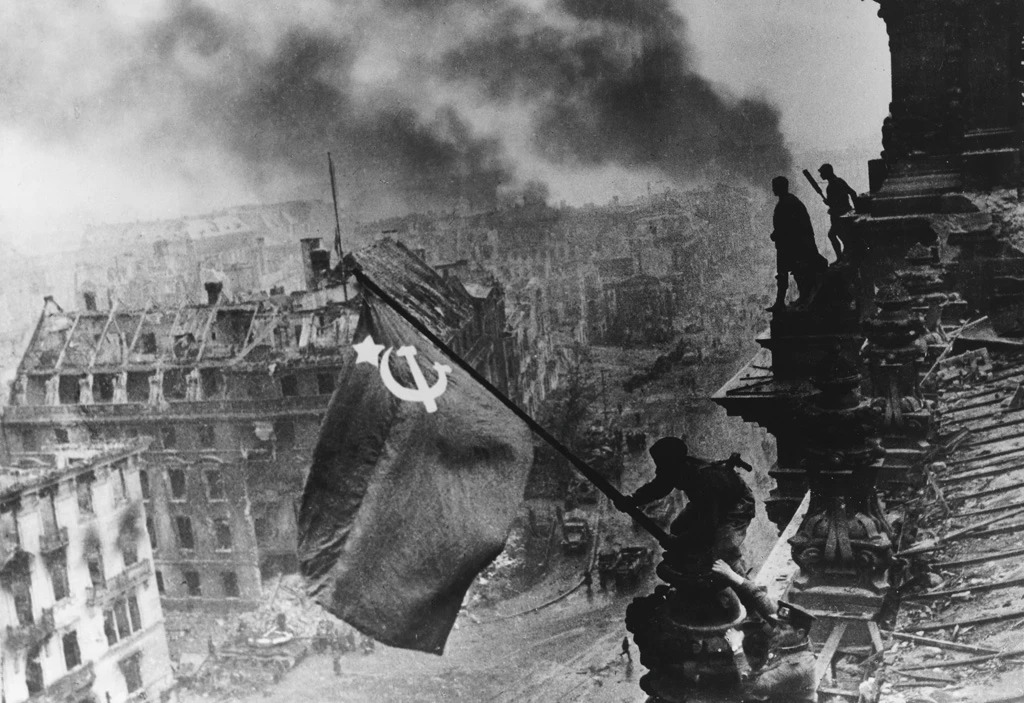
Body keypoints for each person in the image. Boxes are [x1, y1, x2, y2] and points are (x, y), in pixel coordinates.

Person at [619, 437, 754, 572]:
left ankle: (741, 582)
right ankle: (697, 560)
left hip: (736, 505)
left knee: (724, 551)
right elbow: (659, 486)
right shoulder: (675, 467)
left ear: (672, 463)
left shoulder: (705, 478)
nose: (657, 470)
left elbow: (708, 524)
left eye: (660, 465)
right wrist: (633, 499)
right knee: (679, 527)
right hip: (707, 501)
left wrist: (678, 542)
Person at [711, 559, 818, 703]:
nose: (776, 629)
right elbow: (760, 598)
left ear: (799, 633)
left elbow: (751, 686)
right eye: (778, 625)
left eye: (782, 628)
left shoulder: (796, 668)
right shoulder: (798, 638)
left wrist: (737, 648)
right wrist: (731, 574)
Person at [768, 176, 827, 312]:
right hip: (789, 245)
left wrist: (775, 234)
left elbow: (788, 226)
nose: (773, 189)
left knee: (792, 273)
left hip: (790, 246)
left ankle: (787, 301)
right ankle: (786, 300)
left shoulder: (787, 203)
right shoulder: (790, 201)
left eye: (775, 186)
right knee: (793, 273)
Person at [818, 164, 858, 261]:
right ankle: (844, 255)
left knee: (833, 235)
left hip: (838, 215)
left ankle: (841, 258)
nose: (820, 175)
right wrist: (856, 208)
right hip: (845, 213)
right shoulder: (839, 181)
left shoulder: (831, 185)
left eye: (822, 173)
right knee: (841, 235)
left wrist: (828, 202)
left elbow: (834, 203)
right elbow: (852, 193)